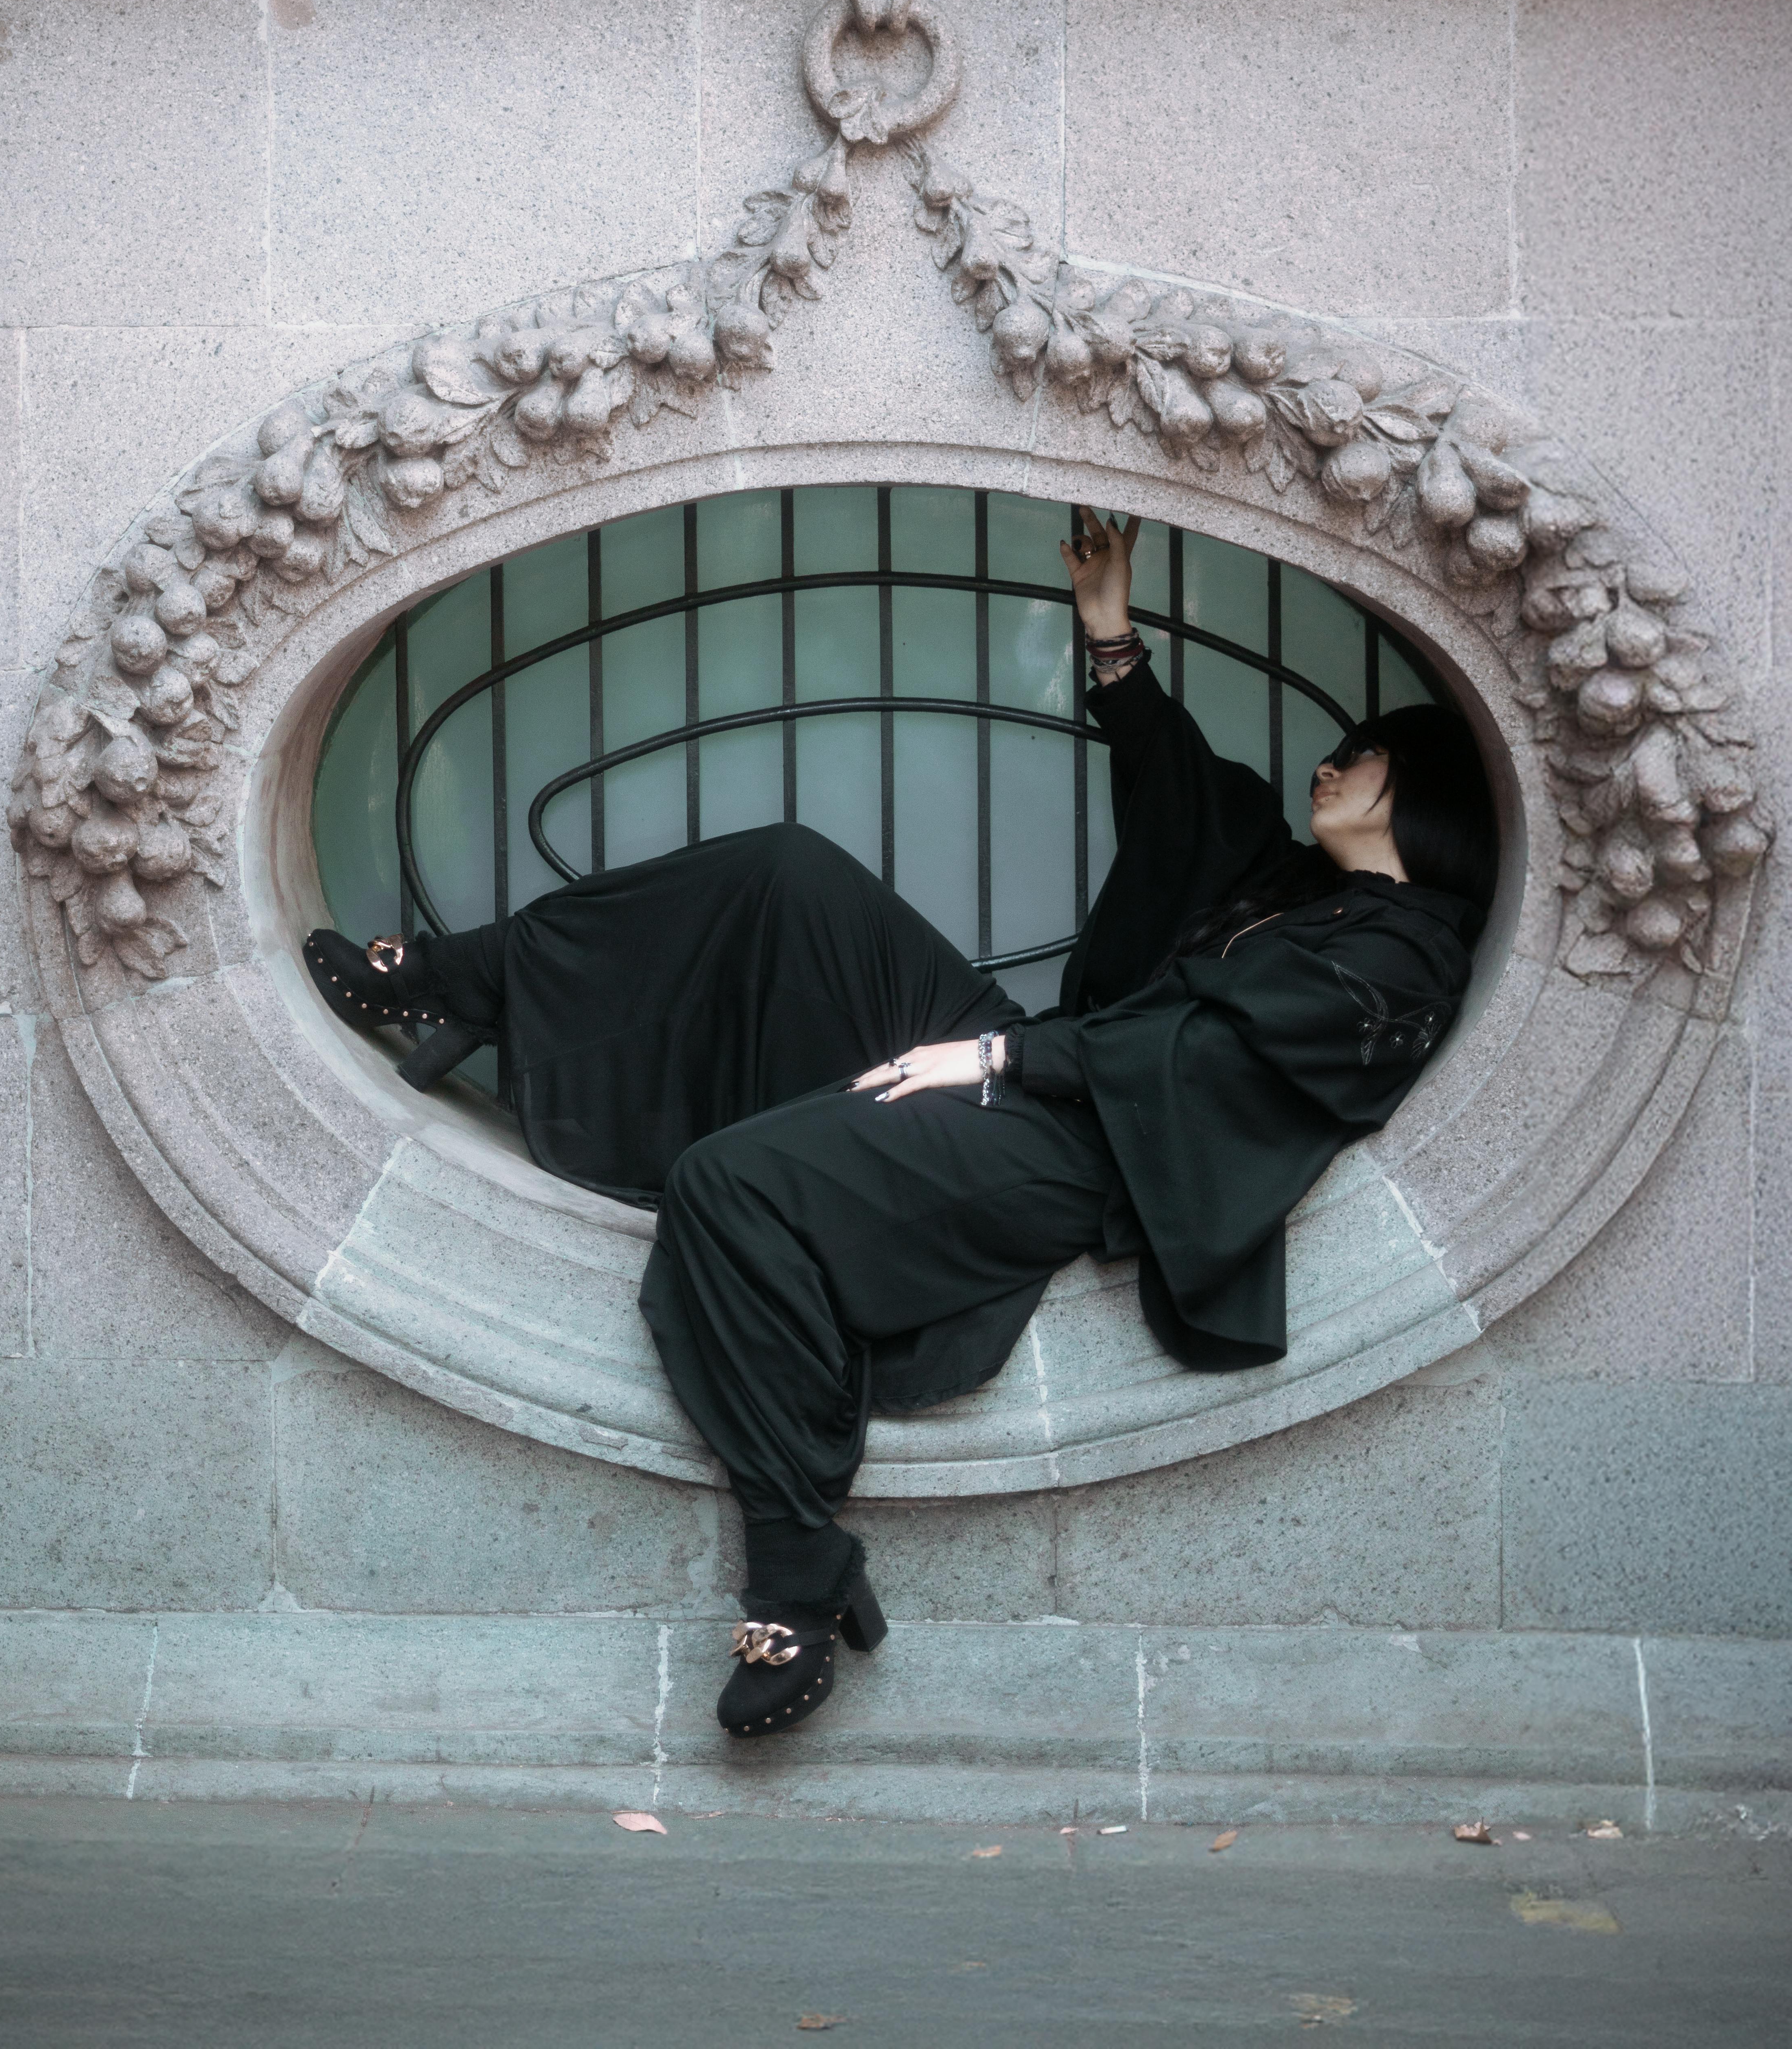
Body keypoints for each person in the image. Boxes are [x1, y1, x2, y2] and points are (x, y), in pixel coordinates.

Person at [304, 507, 1497, 1740]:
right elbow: (1178, 795)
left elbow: (1205, 1060)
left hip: (1078, 1145)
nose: (1333, 763)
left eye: (1364, 756)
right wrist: (1108, 628)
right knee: (783, 874)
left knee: (732, 1186)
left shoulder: (1403, 961)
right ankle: (460, 984)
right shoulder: (1291, 882)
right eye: (1341, 747)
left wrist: (994, 1055)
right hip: (1037, 1067)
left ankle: (797, 1568)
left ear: (1431, 802)